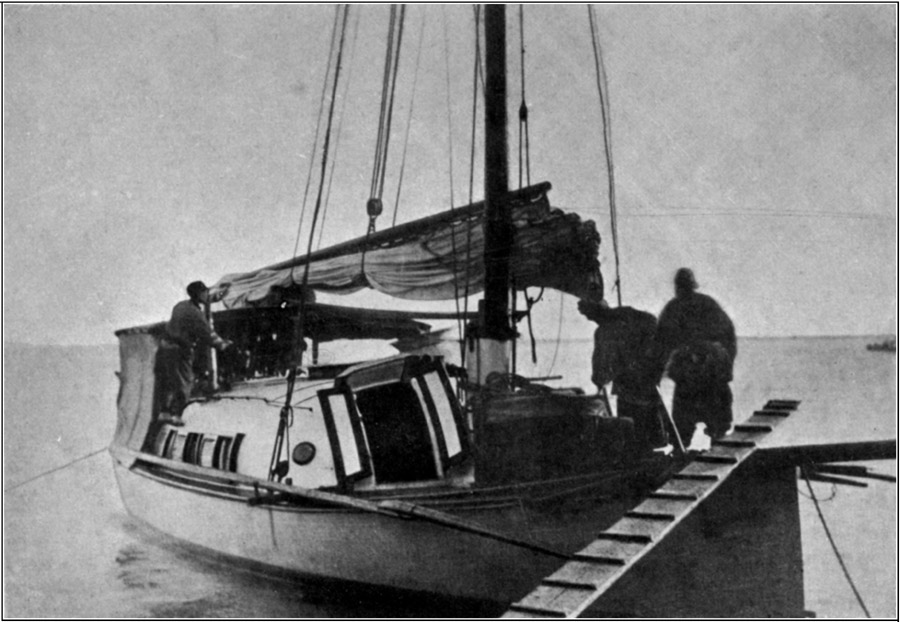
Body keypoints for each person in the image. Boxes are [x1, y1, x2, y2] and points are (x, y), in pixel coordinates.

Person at [655, 268, 736, 447]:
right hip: (711, 374)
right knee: (717, 427)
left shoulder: (673, 308)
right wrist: (727, 367)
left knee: (683, 429)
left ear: (677, 287)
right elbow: (729, 336)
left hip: (691, 375)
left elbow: (661, 344)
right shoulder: (708, 304)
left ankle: (681, 453)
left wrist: (657, 373)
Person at [578, 296, 668, 452]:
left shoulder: (604, 331)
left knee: (634, 436)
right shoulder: (633, 315)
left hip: (630, 390)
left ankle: (641, 456)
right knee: (655, 433)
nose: (590, 319)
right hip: (650, 384)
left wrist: (599, 381)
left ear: (594, 313)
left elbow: (600, 369)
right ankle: (657, 450)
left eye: (589, 316)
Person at [156, 281, 231, 425]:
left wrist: (223, 292)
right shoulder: (195, 313)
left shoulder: (181, 306)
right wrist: (223, 345)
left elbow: (208, 299)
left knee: (169, 381)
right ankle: (176, 415)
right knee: (185, 382)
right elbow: (207, 333)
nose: (207, 294)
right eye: (205, 292)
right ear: (199, 294)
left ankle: (164, 413)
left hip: (165, 347)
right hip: (179, 350)